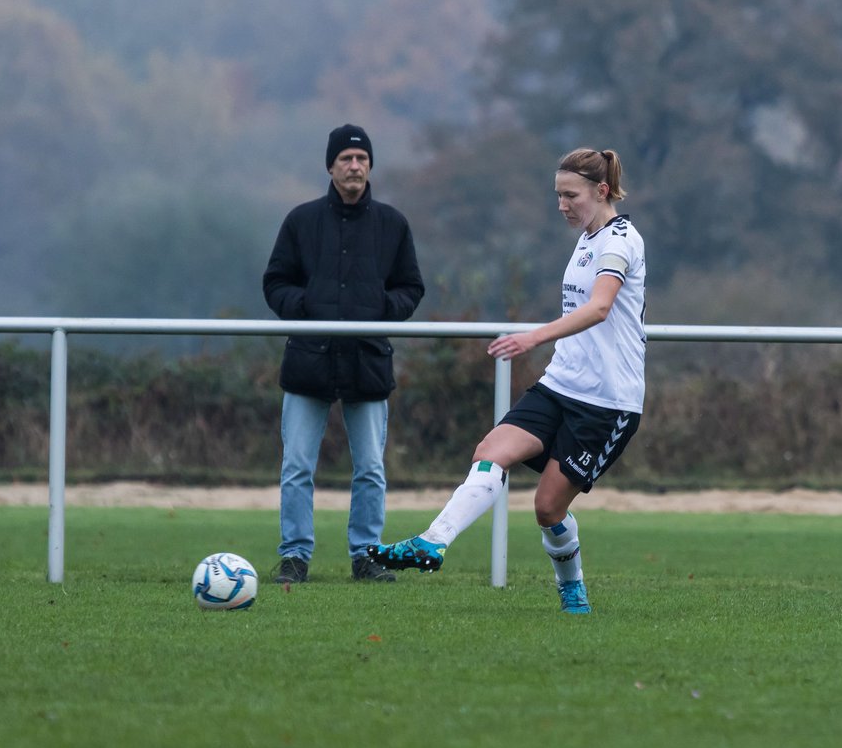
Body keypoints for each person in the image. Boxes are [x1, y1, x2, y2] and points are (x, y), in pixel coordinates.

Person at [366, 148, 646, 613]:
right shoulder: (586, 236)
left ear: (601, 191)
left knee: (547, 509)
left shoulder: (621, 239)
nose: (561, 205)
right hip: (560, 384)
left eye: (569, 195)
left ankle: (572, 589)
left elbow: (599, 308)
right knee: (490, 453)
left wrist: (532, 337)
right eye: (557, 195)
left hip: (607, 402)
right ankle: (433, 542)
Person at [262, 124, 425, 584]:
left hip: (367, 362)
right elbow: (275, 283)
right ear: (330, 166)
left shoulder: (393, 225)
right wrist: (307, 309)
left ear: (370, 166)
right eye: (346, 159)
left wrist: (379, 312)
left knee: (371, 468)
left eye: (362, 159)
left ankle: (366, 556)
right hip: (308, 360)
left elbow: (411, 288)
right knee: (296, 466)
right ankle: (294, 557)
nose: (355, 166)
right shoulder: (301, 221)